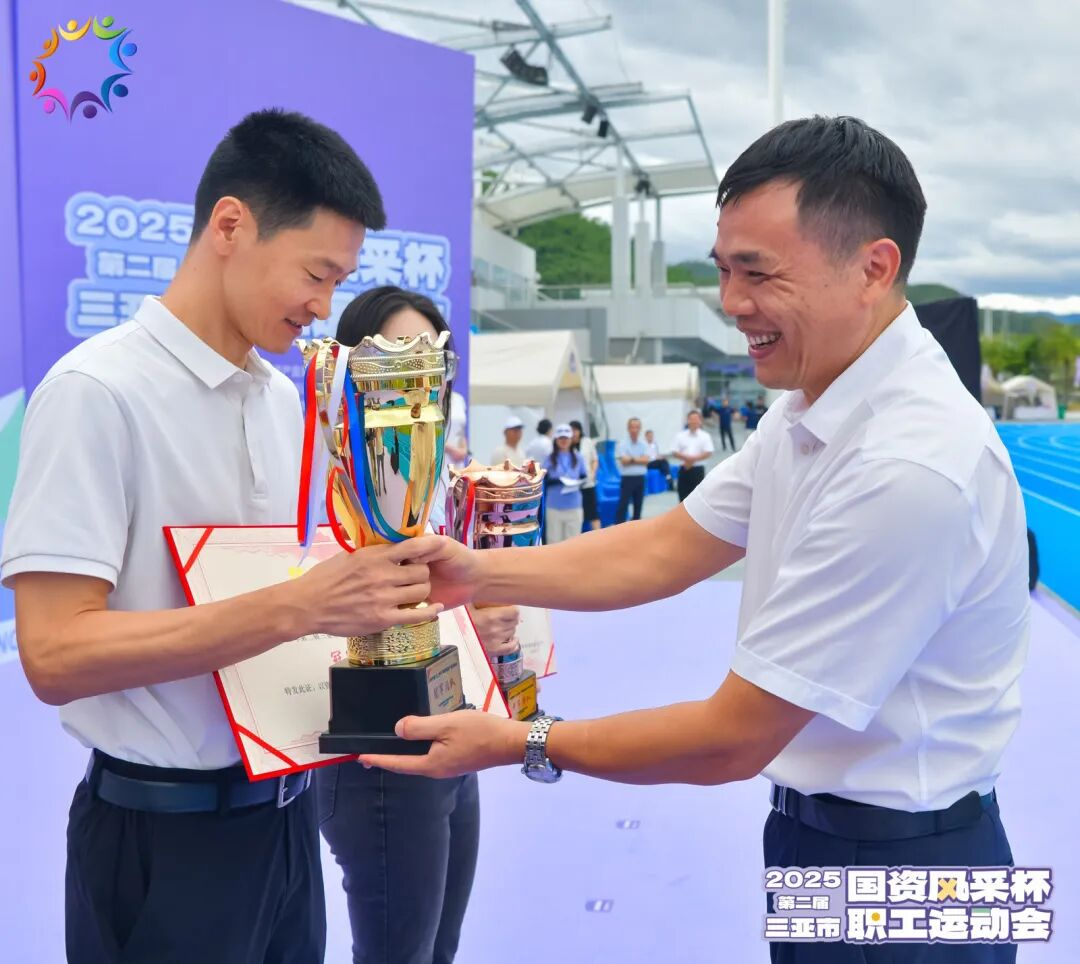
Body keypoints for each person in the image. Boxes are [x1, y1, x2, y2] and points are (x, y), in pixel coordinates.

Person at [359, 116, 1029, 964]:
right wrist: (472, 572)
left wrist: (524, 740)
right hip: (828, 837)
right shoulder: (811, 407)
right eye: (723, 269)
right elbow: (667, 547)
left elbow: (734, 736)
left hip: (912, 865)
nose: (732, 302)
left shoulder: (910, 464)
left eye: (759, 272)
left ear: (874, 267)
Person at [0, 109, 443, 964]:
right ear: (231, 226)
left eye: (340, 280)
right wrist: (300, 607)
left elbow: (287, 611)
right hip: (160, 838)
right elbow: (53, 656)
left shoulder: (283, 401)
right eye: (316, 273)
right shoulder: (98, 392)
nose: (324, 307)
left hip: (285, 823)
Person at [321, 285, 519, 964]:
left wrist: (479, 630)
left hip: (452, 732)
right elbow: (324, 616)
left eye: (430, 363)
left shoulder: (432, 486)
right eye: (398, 358)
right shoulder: (334, 485)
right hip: (381, 754)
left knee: (440, 948)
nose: (417, 380)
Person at [543, 423, 588, 543]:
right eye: (561, 438)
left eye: (566, 438)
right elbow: (543, 480)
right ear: (556, 439)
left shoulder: (578, 457)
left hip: (574, 506)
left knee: (573, 543)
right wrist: (558, 481)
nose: (563, 440)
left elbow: (584, 477)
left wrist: (578, 482)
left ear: (571, 439)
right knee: (554, 542)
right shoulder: (549, 458)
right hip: (554, 507)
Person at [672, 409, 715, 502]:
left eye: (696, 419)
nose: (694, 422)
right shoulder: (680, 436)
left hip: (698, 471)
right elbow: (675, 452)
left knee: (697, 500)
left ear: (700, 421)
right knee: (682, 498)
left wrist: (692, 459)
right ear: (688, 421)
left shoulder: (705, 436)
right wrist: (687, 459)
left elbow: (708, 452)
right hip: (683, 469)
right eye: (691, 419)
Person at [614, 416, 650, 523]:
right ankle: (619, 529)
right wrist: (639, 459)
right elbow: (624, 461)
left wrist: (631, 459)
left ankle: (636, 530)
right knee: (623, 506)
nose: (634, 430)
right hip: (627, 479)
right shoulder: (622, 443)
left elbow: (646, 460)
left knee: (638, 506)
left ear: (640, 429)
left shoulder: (644, 444)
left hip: (640, 478)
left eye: (637, 427)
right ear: (628, 428)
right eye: (632, 427)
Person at [570, 419, 601, 531]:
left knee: (593, 513)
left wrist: (593, 473)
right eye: (571, 430)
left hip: (588, 482)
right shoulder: (566, 444)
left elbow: (595, 459)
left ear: (580, 431)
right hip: (573, 486)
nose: (574, 433)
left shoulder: (587, 441)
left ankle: (599, 537)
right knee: (575, 515)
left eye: (576, 430)